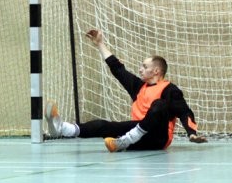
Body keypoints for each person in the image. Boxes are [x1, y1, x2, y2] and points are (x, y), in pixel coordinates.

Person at [46, 29, 207, 152]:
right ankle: (61, 129)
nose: (140, 69)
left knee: (159, 105)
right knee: (104, 125)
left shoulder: (170, 89)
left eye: (145, 66)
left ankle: (126, 140)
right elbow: (118, 69)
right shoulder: (139, 87)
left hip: (158, 138)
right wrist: (100, 44)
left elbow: (185, 112)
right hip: (136, 138)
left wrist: (191, 133)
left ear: (156, 71)